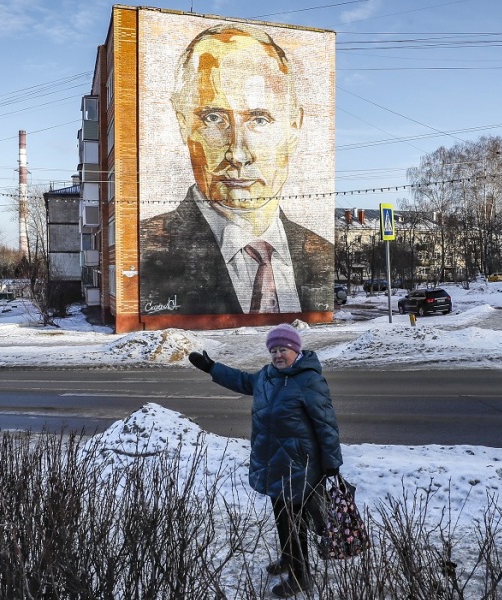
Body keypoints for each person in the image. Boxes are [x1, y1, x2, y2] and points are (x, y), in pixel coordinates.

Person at [140, 23, 334, 316]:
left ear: (294, 127)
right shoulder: (146, 251)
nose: (238, 154)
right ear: (183, 123)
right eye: (214, 118)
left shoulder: (321, 253)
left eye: (259, 119)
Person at [188, 324, 342, 597]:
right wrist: (212, 367)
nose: (278, 355)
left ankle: (300, 575)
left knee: (295, 521)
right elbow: (242, 381)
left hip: (298, 465)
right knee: (282, 517)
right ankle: (288, 558)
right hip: (272, 461)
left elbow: (326, 424)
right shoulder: (267, 376)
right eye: (274, 350)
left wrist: (332, 463)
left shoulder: (309, 380)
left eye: (283, 350)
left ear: (295, 350)